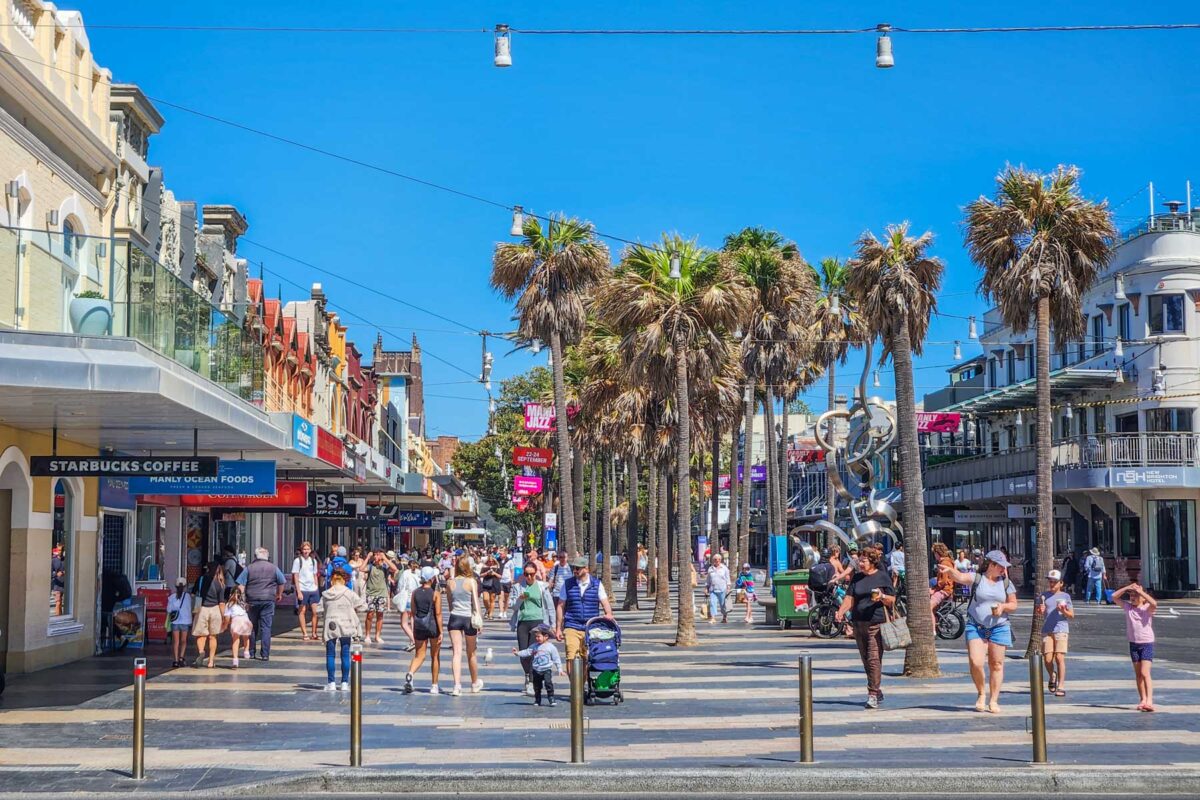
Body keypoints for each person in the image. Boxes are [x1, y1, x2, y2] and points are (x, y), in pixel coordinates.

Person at [939, 550, 1018, 713]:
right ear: (991, 565)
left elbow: (1013, 604)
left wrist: (1003, 607)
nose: (1004, 570)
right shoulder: (977, 578)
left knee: (996, 664)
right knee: (976, 662)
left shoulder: (1006, 583)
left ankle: (994, 700)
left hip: (999, 626)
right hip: (976, 625)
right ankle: (981, 693)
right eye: (1001, 566)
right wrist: (949, 571)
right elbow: (960, 577)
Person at [834, 546, 895, 709]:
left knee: (874, 658)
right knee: (866, 660)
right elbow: (849, 598)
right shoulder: (857, 578)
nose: (860, 563)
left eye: (863, 561)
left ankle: (872, 694)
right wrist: (841, 612)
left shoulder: (882, 577)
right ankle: (877, 689)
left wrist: (882, 597)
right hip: (858, 623)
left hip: (876, 623)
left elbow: (892, 599)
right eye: (859, 560)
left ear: (873, 561)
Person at [556, 556, 615, 667]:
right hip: (571, 625)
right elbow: (560, 605)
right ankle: (574, 683)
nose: (575, 571)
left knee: (586, 658)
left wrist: (608, 614)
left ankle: (580, 683)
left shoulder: (596, 584)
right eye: (574, 568)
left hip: (590, 626)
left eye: (578, 568)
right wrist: (558, 628)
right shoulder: (567, 584)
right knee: (571, 655)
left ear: (586, 569)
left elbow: (605, 602)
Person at [1113, 582, 1158, 711]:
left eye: (1136, 595)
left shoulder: (1147, 608)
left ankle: (1149, 700)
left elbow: (1154, 603)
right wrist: (1128, 588)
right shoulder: (1128, 608)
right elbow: (1114, 597)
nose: (1133, 597)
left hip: (1146, 643)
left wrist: (1141, 592)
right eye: (1131, 595)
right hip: (1133, 643)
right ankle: (1142, 699)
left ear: (1143, 598)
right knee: (1138, 674)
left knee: (1145, 672)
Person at [513, 562, 555, 695]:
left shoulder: (542, 587)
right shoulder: (518, 587)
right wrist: (520, 598)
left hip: (537, 622)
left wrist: (553, 625)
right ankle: (527, 675)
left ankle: (531, 682)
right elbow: (512, 606)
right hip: (523, 622)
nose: (529, 577)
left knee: (533, 652)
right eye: (526, 574)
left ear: (536, 573)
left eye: (531, 574)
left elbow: (550, 606)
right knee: (523, 654)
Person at [321, 566, 365, 691]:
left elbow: (318, 609)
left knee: (330, 654)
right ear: (345, 580)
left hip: (331, 625)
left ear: (332, 580)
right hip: (346, 624)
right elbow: (362, 606)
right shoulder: (349, 593)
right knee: (345, 654)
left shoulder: (326, 594)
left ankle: (331, 683)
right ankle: (345, 683)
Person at [445, 555, 484, 696]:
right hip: (469, 618)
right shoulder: (472, 581)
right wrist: (479, 620)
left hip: (454, 617)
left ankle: (456, 686)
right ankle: (474, 683)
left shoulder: (451, 582)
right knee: (471, 653)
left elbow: (449, 601)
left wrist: (453, 610)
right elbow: (475, 601)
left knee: (456, 653)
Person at [403, 566, 443, 694]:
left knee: (419, 655)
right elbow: (438, 614)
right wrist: (441, 631)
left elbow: (413, 612)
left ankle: (410, 673)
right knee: (435, 655)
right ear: (432, 579)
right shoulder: (435, 594)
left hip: (419, 625)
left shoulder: (415, 592)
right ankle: (434, 685)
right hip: (432, 626)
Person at [1036, 569, 1074, 698]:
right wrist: (1040, 610)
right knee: (1047, 659)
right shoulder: (1043, 596)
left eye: (1055, 582)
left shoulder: (1065, 597)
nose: (1052, 584)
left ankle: (1061, 685)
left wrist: (1063, 611)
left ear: (1061, 583)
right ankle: (1052, 675)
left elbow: (1071, 615)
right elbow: (1039, 611)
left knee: (1059, 657)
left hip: (1061, 629)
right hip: (1047, 629)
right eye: (1050, 582)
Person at [244, 547, 285, 661]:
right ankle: (265, 654)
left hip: (251, 599)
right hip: (268, 599)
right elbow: (282, 582)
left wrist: (242, 599)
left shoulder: (249, 568)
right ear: (267, 557)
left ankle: (251, 652)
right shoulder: (273, 568)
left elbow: (240, 584)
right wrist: (279, 594)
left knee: (251, 627)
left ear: (255, 556)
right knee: (266, 627)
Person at [513, 624, 565, 707]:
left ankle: (551, 697)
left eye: (539, 636)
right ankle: (537, 699)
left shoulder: (551, 647)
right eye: (536, 637)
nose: (537, 638)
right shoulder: (534, 647)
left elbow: (556, 658)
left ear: (546, 636)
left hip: (546, 669)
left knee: (548, 683)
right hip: (536, 670)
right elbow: (527, 652)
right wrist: (517, 653)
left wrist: (560, 669)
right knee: (537, 686)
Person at [192, 560, 226, 669]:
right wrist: (224, 616)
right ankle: (211, 661)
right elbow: (221, 602)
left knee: (201, 635)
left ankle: (201, 652)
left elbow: (193, 594)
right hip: (215, 609)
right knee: (213, 636)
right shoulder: (220, 583)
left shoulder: (200, 579)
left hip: (202, 609)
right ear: (217, 570)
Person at [363, 550, 398, 645]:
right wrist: (367, 557)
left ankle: (377, 636)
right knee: (370, 614)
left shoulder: (385, 566)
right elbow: (361, 569)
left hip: (382, 593)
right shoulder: (371, 566)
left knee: (380, 615)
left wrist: (385, 558)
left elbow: (395, 569)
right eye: (375, 555)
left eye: (378, 554)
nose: (377, 556)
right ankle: (367, 635)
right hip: (371, 593)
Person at [292, 542, 322, 642]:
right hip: (303, 588)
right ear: (301, 550)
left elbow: (315, 575)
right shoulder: (297, 561)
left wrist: (316, 586)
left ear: (310, 550)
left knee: (315, 612)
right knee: (302, 611)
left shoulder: (313, 561)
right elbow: (296, 576)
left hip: (313, 589)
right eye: (304, 549)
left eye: (308, 549)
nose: (306, 551)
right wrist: (298, 591)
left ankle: (314, 633)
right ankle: (305, 633)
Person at [395, 559, 422, 652]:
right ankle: (412, 642)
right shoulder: (419, 573)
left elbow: (400, 586)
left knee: (404, 623)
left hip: (407, 599)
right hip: (417, 600)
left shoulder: (405, 573)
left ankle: (414, 641)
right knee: (413, 622)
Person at [223, 585, 253, 669]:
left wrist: (225, 625)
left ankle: (235, 659)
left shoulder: (229, 605)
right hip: (245, 619)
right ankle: (246, 651)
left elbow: (227, 617)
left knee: (235, 640)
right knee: (246, 636)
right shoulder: (242, 603)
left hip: (236, 621)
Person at [166, 577, 193, 667]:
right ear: (185, 586)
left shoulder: (172, 597)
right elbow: (191, 608)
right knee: (183, 641)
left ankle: (176, 660)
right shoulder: (188, 597)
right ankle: (181, 657)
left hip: (175, 622)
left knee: (176, 642)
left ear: (175, 586)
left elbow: (169, 610)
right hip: (185, 621)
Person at [929, 543, 956, 626]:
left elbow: (943, 581)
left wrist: (934, 589)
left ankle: (933, 630)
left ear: (937, 553)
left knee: (928, 608)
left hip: (945, 590)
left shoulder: (943, 563)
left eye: (934, 553)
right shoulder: (949, 561)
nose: (934, 556)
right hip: (948, 589)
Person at [705, 554, 732, 624]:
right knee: (712, 603)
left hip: (722, 588)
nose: (717, 561)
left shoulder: (724, 568)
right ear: (713, 560)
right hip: (713, 589)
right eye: (715, 559)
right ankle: (713, 618)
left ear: (721, 560)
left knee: (723, 604)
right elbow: (708, 579)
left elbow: (728, 579)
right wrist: (706, 587)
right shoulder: (710, 568)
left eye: (719, 559)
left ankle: (724, 617)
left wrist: (728, 588)